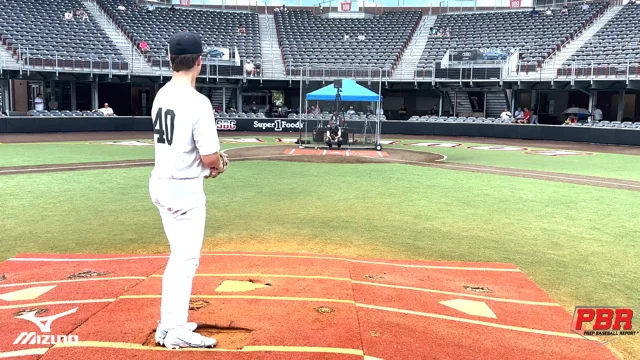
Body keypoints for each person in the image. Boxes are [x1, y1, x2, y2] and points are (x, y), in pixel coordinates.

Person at [150, 31, 226, 350]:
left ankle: (169, 324)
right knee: (186, 260)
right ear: (199, 61)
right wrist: (219, 164)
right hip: (183, 191)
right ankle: (176, 328)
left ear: (170, 61)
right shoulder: (198, 102)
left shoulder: (161, 94)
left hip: (161, 184)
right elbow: (210, 158)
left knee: (178, 257)